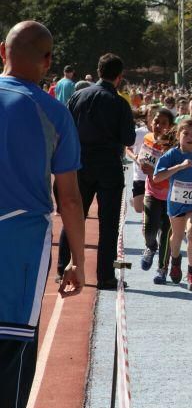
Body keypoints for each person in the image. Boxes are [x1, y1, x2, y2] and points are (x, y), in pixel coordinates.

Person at [0, 20, 85, 408]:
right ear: (48, 61)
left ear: (2, 52)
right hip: (20, 248)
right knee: (11, 355)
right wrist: (79, 261)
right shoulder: (53, 112)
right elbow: (68, 197)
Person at [57, 53, 136, 290]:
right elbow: (128, 138)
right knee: (109, 223)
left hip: (79, 163)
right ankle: (105, 276)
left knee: (74, 216)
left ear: (98, 71)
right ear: (119, 77)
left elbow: (65, 129)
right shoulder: (120, 103)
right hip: (109, 166)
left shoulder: (78, 95)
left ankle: (63, 269)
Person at [153, 119, 192, 291]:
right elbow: (157, 177)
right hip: (176, 201)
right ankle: (175, 261)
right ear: (178, 135)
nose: (190, 137)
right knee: (176, 236)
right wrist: (179, 166)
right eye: (186, 133)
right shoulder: (171, 155)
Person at [138, 108, 175, 284]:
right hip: (152, 192)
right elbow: (143, 159)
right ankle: (150, 247)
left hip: (170, 196)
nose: (159, 125)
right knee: (148, 230)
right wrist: (141, 162)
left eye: (163, 123)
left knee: (167, 235)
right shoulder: (147, 139)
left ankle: (162, 269)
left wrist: (154, 171)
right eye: (156, 121)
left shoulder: (174, 146)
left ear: (170, 127)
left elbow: (175, 172)